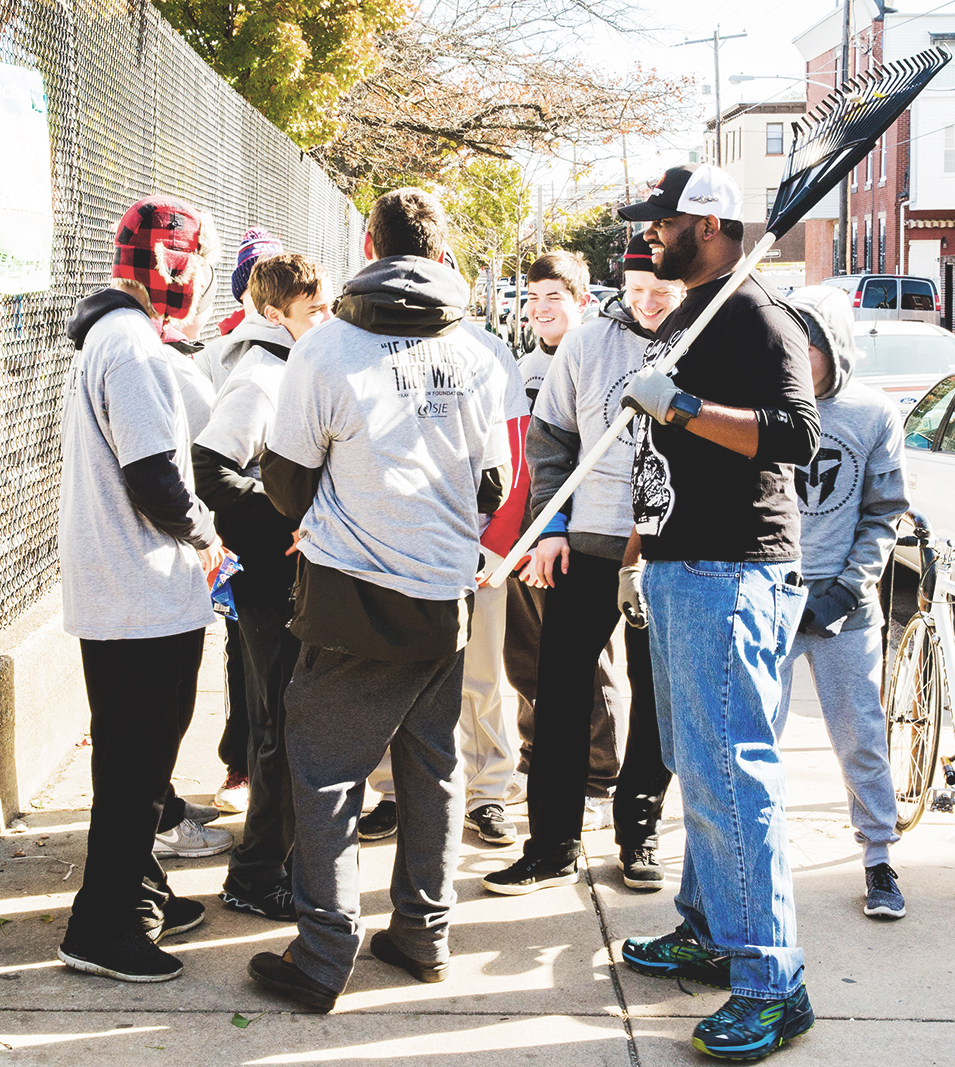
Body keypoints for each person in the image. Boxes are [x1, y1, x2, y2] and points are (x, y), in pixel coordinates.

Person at [246, 188, 510, 1010]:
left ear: (367, 243)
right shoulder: (478, 353)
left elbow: (286, 486)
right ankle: (422, 934)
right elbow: (495, 482)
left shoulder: (326, 349)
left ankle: (324, 955)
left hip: (351, 595)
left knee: (324, 770)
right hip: (442, 593)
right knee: (432, 765)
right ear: (441, 254)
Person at [615, 163, 820, 1061]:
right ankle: (707, 929)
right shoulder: (697, 310)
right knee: (697, 766)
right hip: (680, 565)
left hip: (732, 569)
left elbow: (794, 436)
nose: (651, 237)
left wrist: (688, 406)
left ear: (709, 222)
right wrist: (639, 552)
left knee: (733, 777)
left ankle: (773, 981)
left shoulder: (758, 314)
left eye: (663, 223)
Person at [57, 194, 230, 983]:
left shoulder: (119, 338)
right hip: (139, 593)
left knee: (138, 766)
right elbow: (153, 477)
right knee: (133, 769)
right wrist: (206, 531)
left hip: (130, 590)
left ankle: (137, 893)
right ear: (174, 265)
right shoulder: (128, 346)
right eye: (199, 266)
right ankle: (101, 927)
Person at [483, 237, 679, 897]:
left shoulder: (703, 338)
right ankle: (552, 844)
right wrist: (550, 528)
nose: (647, 304)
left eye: (661, 292)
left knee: (655, 700)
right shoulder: (587, 345)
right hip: (585, 545)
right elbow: (549, 442)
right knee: (560, 695)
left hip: (663, 552)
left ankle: (639, 833)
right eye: (637, 291)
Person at [193, 253, 334, 922]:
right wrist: (289, 516)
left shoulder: (293, 365)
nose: (327, 319)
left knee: (281, 721)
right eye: (316, 310)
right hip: (269, 578)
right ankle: (253, 877)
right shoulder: (260, 376)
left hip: (284, 575)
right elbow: (209, 469)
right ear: (275, 314)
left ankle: (270, 862)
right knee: (280, 725)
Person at [360, 298, 530, 848]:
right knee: (389, 676)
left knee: (479, 678)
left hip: (473, 546)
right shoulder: (366, 341)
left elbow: (517, 449)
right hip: (392, 546)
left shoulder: (485, 350)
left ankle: (486, 792)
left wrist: (497, 545)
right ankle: (389, 791)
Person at [776, 285, 908, 919]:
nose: (797, 354)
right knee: (752, 742)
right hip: (770, 600)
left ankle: (879, 858)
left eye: (808, 340)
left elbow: (884, 514)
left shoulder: (874, 414)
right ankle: (758, 864)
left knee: (860, 737)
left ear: (831, 342)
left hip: (844, 609)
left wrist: (844, 592)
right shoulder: (766, 407)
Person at [195, 226, 285, 816]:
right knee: (243, 648)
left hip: (257, 523)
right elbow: (206, 457)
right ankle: (242, 765)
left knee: (262, 653)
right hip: (235, 521)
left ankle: (260, 768)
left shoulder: (291, 350)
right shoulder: (228, 360)